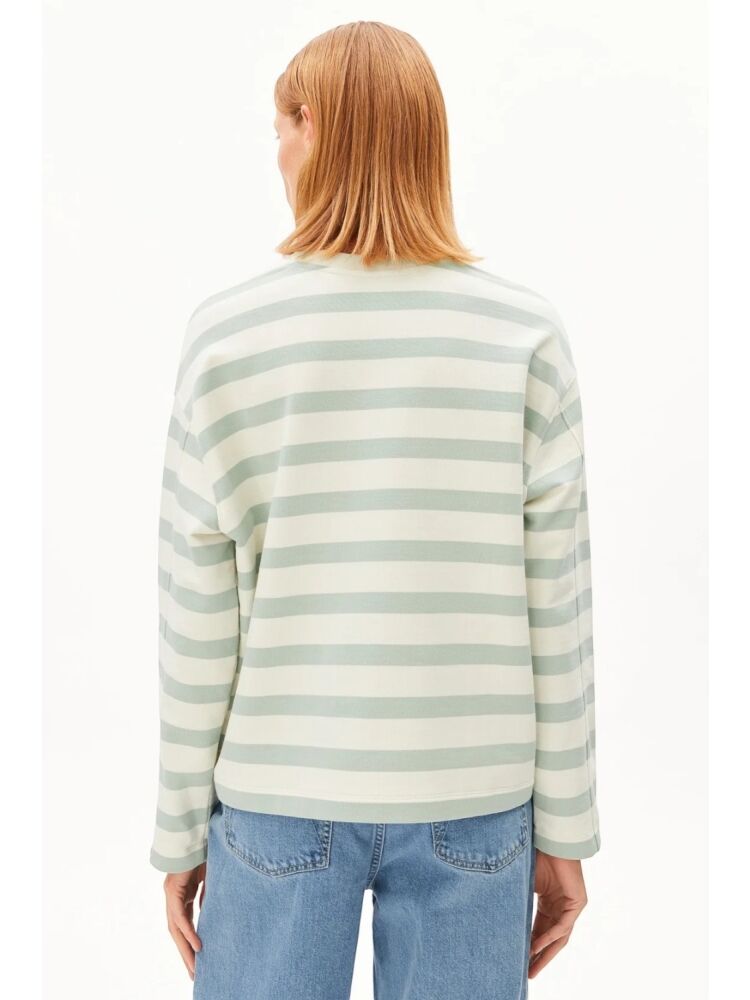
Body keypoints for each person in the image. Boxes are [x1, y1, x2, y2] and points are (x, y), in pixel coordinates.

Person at [150, 20, 601, 1000]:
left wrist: (180, 834)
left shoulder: (228, 336)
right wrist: (566, 829)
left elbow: (198, 617)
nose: (276, 153)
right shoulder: (523, 335)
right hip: (474, 799)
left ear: (312, 125)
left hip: (277, 795)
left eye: (279, 127)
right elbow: (557, 610)